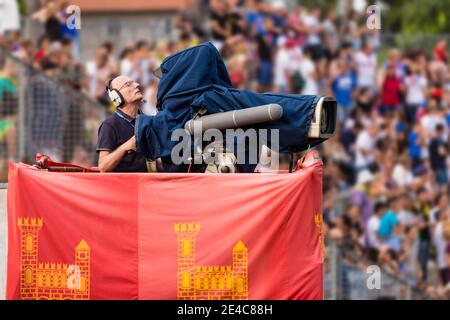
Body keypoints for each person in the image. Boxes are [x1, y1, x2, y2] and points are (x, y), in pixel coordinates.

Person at [96, 75, 148, 172]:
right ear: (116, 97)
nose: (137, 85)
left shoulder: (147, 121)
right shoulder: (110, 125)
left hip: (147, 185)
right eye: (128, 84)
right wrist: (126, 146)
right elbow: (103, 167)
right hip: (124, 186)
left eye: (134, 82)